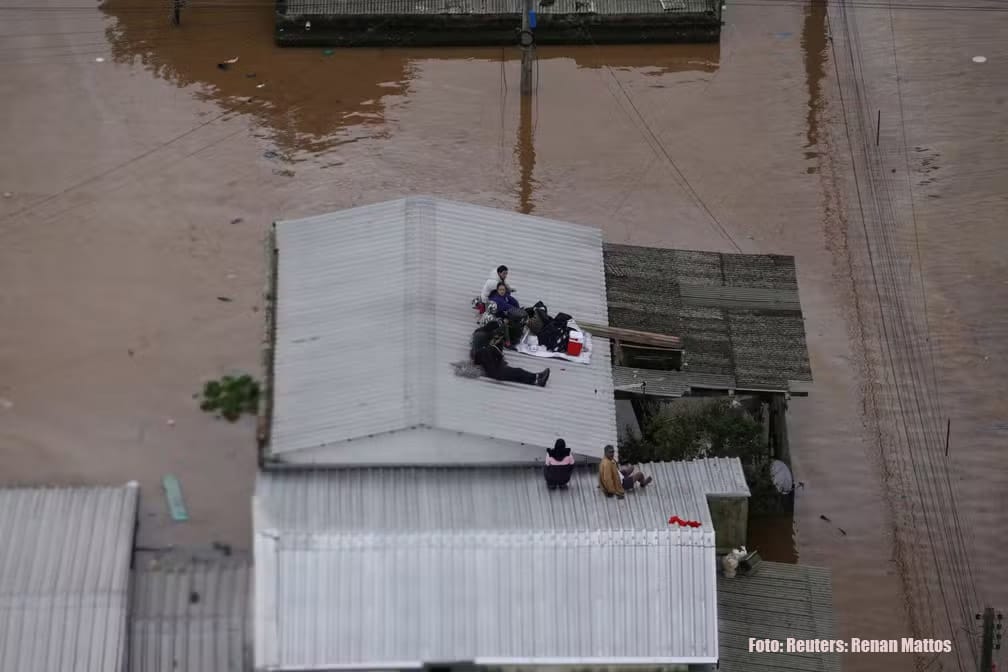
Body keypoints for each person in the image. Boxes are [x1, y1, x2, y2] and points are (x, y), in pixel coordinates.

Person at [472, 328, 550, 387]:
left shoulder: (480, 350)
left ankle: (536, 380)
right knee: (518, 372)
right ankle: (536, 378)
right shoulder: (487, 350)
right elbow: (497, 358)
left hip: (497, 371)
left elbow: (478, 361)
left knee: (517, 375)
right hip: (498, 371)